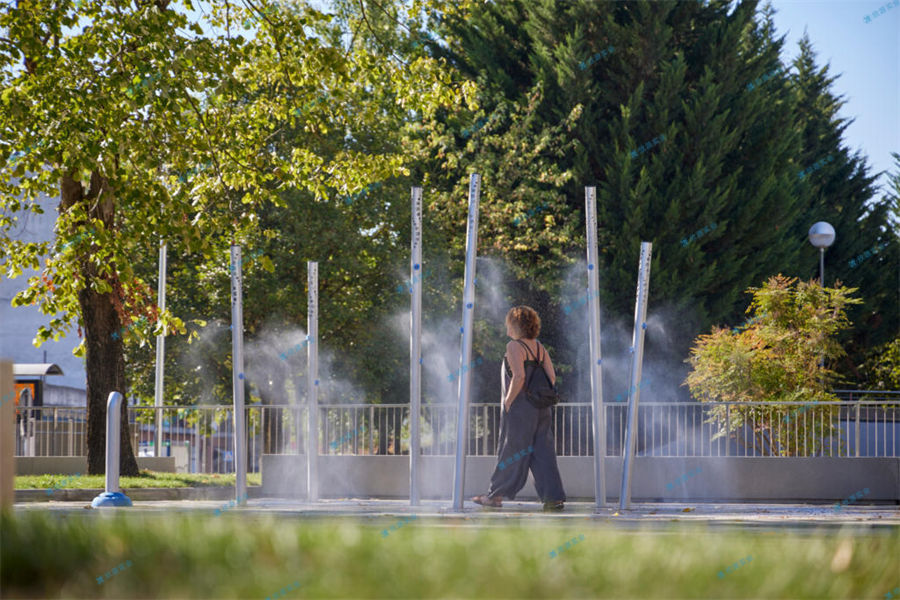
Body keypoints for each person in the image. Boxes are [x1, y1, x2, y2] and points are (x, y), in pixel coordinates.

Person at [472, 305, 566, 511]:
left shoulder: (514, 346)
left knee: (511, 449)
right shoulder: (540, 348)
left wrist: (507, 401)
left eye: (509, 324)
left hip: (521, 407)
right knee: (543, 452)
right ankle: (553, 499)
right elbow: (551, 377)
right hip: (542, 408)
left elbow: (519, 376)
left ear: (516, 325)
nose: (506, 328)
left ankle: (495, 496)